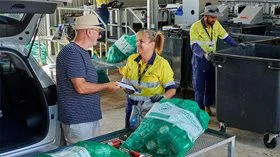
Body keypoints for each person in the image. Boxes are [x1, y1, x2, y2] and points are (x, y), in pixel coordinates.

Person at [56, 14, 120, 145]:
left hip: (86, 118)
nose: (99, 36)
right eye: (98, 32)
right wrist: (106, 86)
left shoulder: (80, 52)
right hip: (79, 120)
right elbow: (81, 87)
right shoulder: (72, 53)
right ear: (89, 32)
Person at [120, 29, 177, 128]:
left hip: (151, 108)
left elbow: (172, 89)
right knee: (129, 136)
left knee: (147, 138)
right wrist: (124, 87)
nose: (137, 44)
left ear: (152, 44)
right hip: (132, 105)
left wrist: (163, 97)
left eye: (141, 41)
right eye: (137, 41)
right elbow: (125, 79)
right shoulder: (131, 59)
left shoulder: (162, 64)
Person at [190, 5, 238, 115]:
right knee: (199, 88)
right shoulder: (195, 27)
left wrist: (238, 46)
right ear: (206, 16)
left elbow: (226, 37)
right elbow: (194, 46)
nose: (215, 20)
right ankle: (199, 111)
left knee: (211, 86)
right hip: (200, 61)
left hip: (213, 60)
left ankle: (207, 106)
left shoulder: (216, 25)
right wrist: (204, 54)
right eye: (212, 17)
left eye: (216, 17)